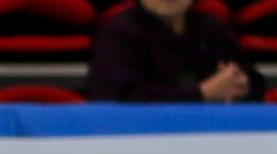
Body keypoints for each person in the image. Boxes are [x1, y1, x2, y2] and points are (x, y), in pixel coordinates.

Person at [88, 0, 264, 102]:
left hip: (213, 134)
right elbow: (121, 98)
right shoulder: (118, 33)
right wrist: (204, 92)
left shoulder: (213, 28)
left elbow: (254, 82)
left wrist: (241, 85)